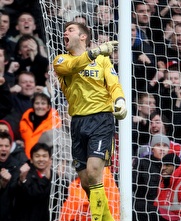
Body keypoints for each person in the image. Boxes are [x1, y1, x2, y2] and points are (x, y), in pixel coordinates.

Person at [53, 21, 127, 221]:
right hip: (77, 122)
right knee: (86, 182)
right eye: (65, 31)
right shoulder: (60, 60)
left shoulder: (102, 60)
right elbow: (74, 65)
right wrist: (94, 53)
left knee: (95, 172)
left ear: (83, 36)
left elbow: (113, 84)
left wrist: (120, 101)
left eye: (70, 30)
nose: (65, 33)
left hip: (101, 119)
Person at [12, 143, 66, 221]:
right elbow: (33, 195)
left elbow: (62, 197)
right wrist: (46, 179)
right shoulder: (25, 173)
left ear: (50, 159)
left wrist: (61, 178)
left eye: (44, 156)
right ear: (31, 159)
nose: (41, 159)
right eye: (37, 156)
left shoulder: (54, 175)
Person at [19, 93, 61, 159]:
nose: (40, 106)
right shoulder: (25, 119)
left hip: (46, 161)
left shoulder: (56, 121)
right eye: (37, 103)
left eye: (43, 103)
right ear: (33, 105)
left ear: (48, 107)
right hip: (27, 161)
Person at [0, 131, 22, 221]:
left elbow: (17, 193)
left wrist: (22, 180)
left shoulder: (16, 166)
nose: (3, 149)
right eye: (0, 146)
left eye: (6, 146)